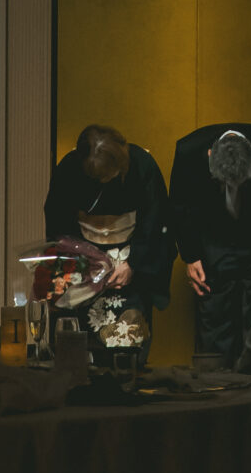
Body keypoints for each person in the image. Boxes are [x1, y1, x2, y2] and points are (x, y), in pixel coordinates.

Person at [169, 121, 251, 369]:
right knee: (213, 335)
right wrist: (191, 256)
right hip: (212, 245)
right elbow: (180, 207)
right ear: (210, 155)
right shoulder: (188, 151)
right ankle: (214, 389)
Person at [41, 123, 172, 349]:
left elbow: (156, 219)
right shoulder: (69, 168)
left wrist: (133, 264)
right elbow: (58, 222)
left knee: (129, 334)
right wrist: (82, 262)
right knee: (80, 337)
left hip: (130, 256)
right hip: (84, 260)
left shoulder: (142, 164)